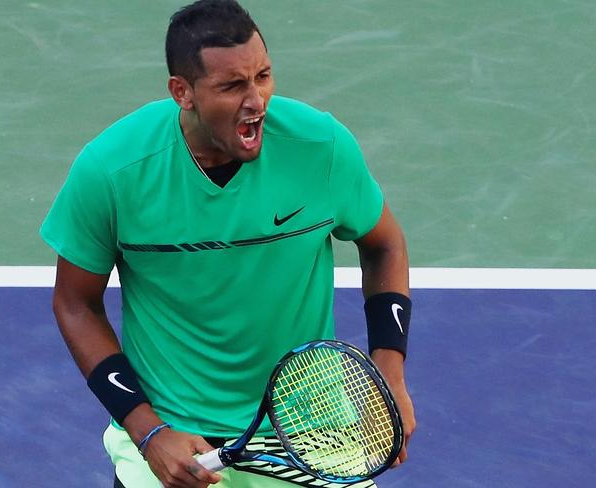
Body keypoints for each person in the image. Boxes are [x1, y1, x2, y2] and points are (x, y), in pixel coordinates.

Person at [40, 1, 415, 487]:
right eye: (232, 85)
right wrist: (148, 432)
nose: (257, 100)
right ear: (183, 92)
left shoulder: (319, 147)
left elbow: (384, 243)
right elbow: (75, 303)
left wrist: (389, 372)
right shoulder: (113, 171)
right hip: (175, 431)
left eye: (263, 76)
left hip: (313, 430)